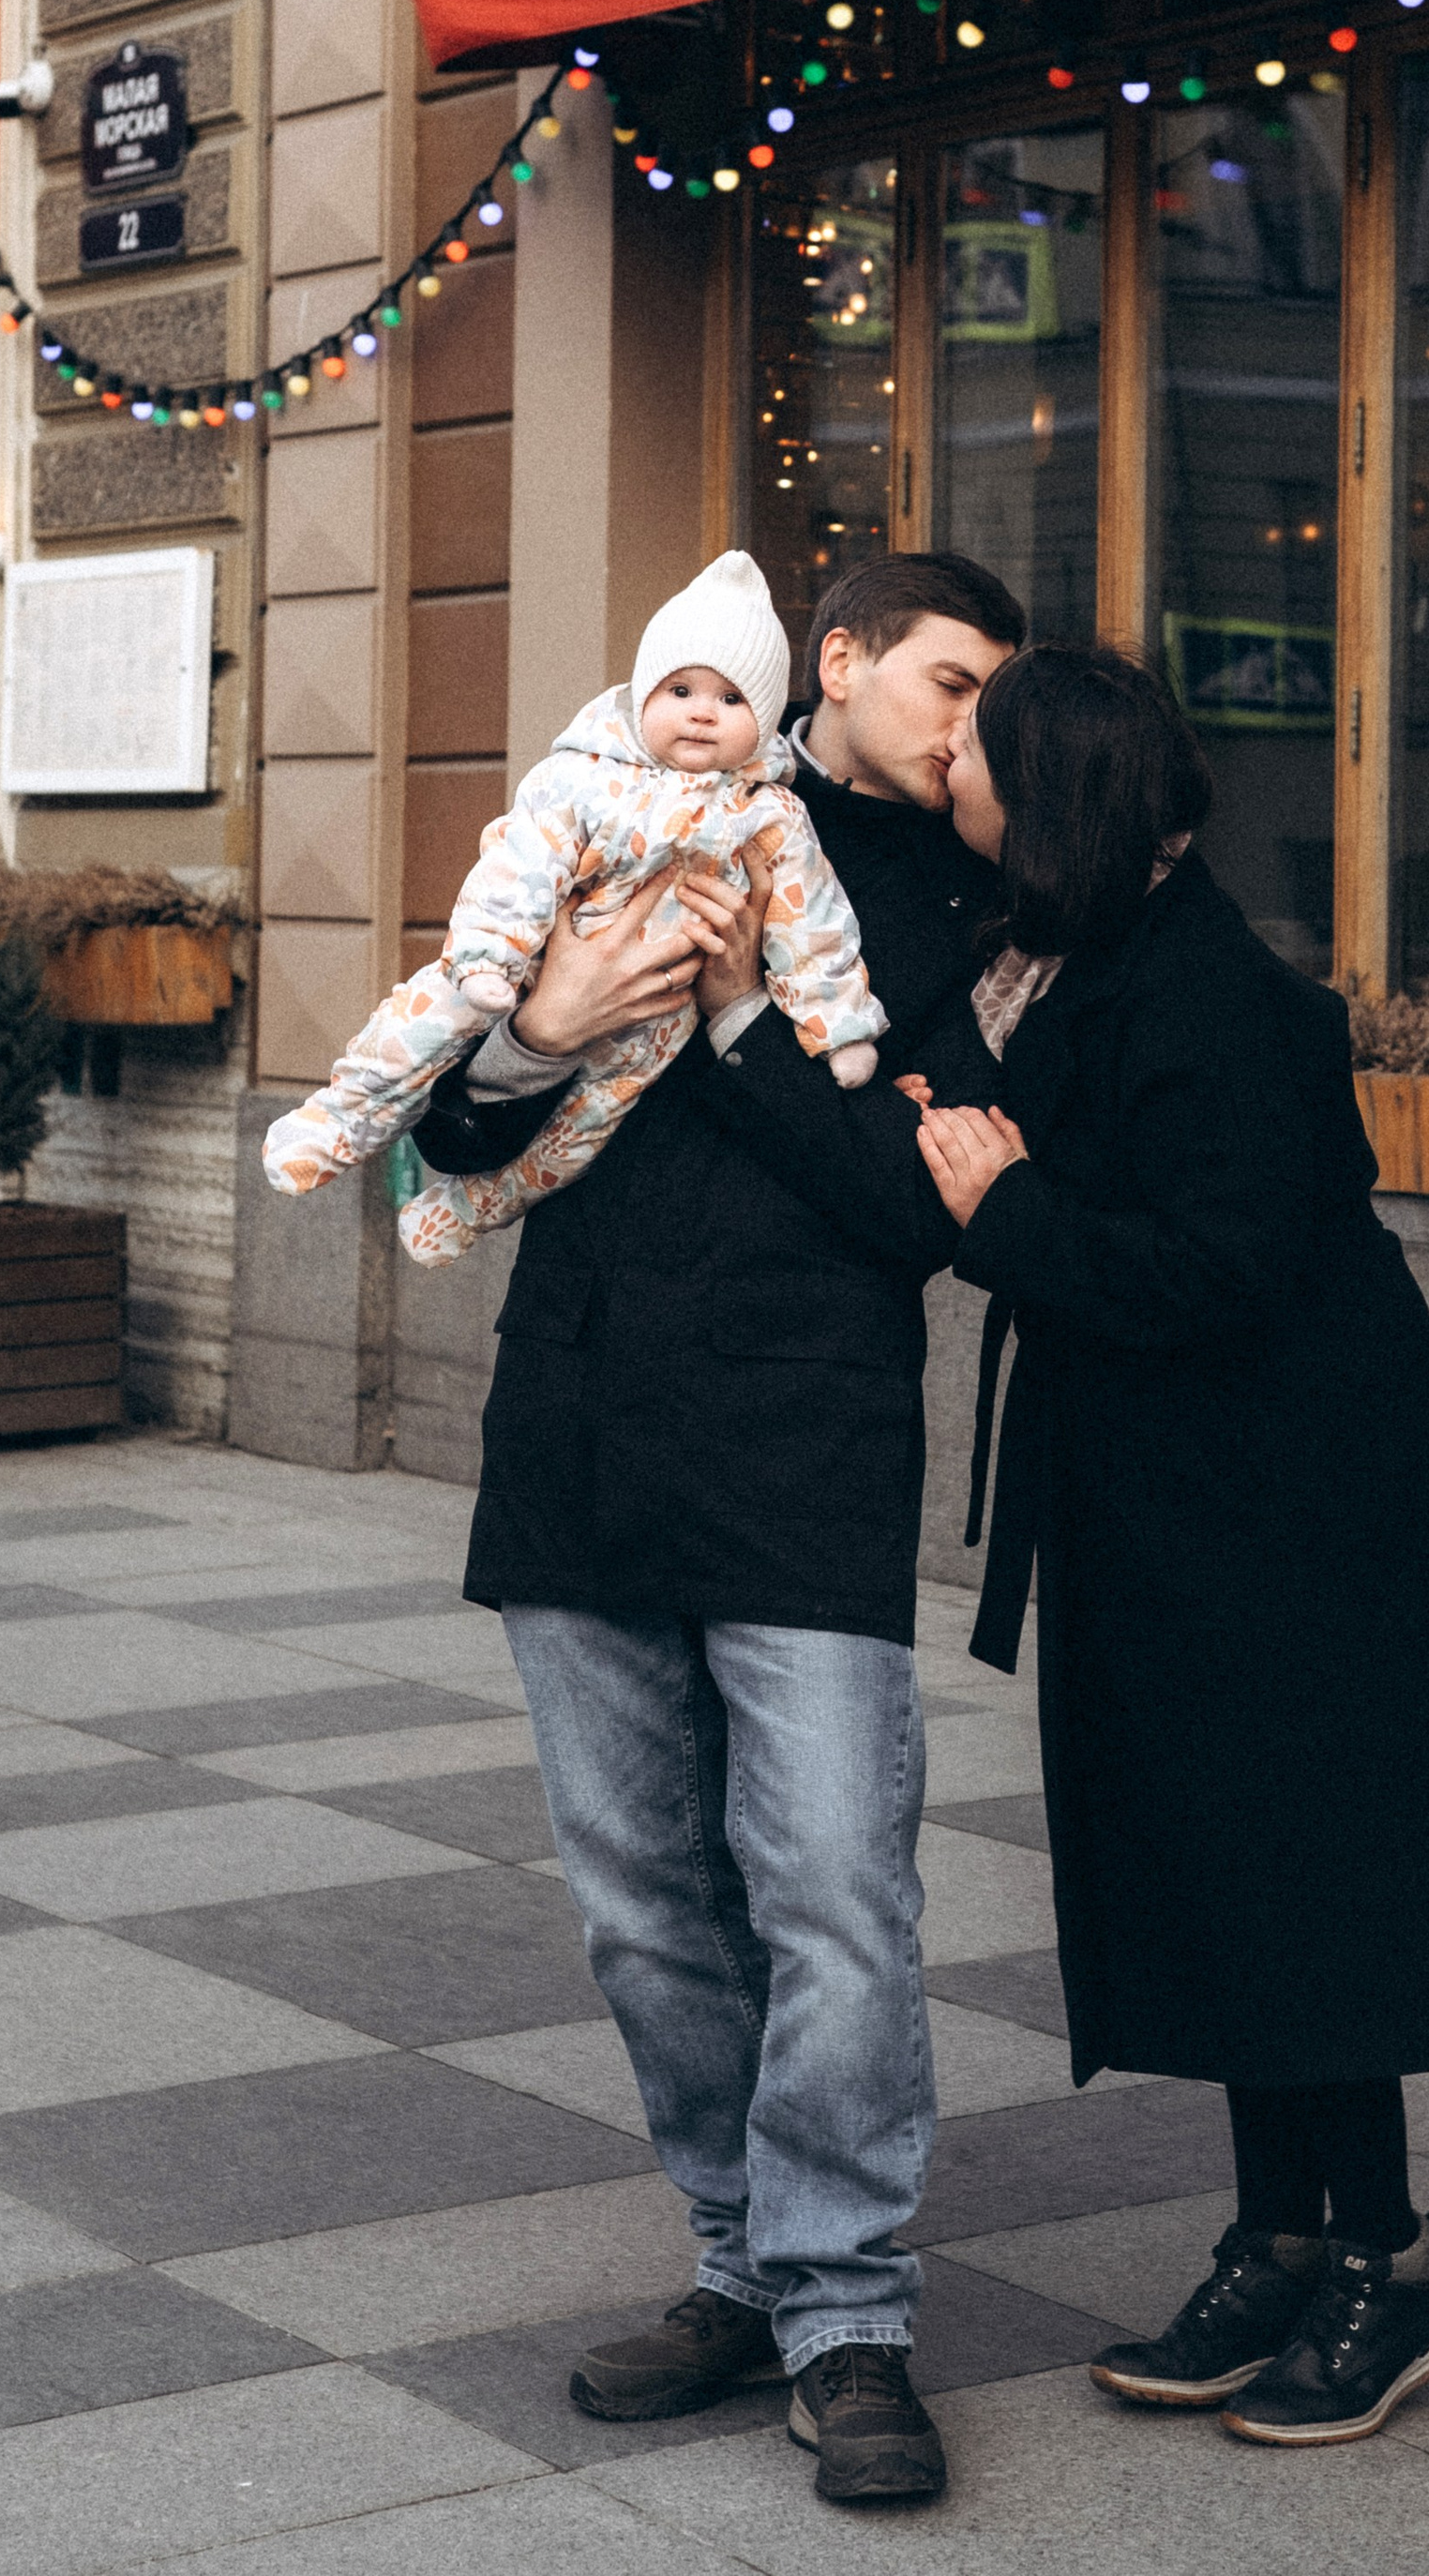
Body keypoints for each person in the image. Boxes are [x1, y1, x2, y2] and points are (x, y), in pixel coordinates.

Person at [718, 642, 1429, 2451]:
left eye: (981, 766)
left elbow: (1214, 1273)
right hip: (1175, 1493)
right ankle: (1279, 2228)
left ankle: (1387, 2265)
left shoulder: (1224, 998)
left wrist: (1006, 1201)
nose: (957, 787)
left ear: (1057, 796)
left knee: (1304, 1869)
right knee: (1216, 1862)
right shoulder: (1079, 960)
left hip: (1293, 1510)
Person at [410, 551, 1024, 2508]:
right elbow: (448, 1123)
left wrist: (746, 1014)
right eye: (942, 683)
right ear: (828, 667)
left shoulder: (948, 908)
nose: (966, 726)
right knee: (640, 1904)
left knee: (836, 1892)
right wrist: (548, 1020)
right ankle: (737, 2264)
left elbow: (913, 1205)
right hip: (580, 1431)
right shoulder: (602, 810)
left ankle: (847, 2314)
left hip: (806, 1448)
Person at [258, 551, 883, 1250]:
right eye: (681, 690)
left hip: (659, 1020)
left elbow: (816, 925)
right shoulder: (581, 777)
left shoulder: (771, 814)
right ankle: (336, 1123)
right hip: (524, 964)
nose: (704, 713)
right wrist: (493, 957)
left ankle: (462, 1215)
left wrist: (839, 1025)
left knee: (580, 1137)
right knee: (420, 1024)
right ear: (643, 693)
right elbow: (521, 864)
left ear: (762, 720)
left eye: (732, 700)